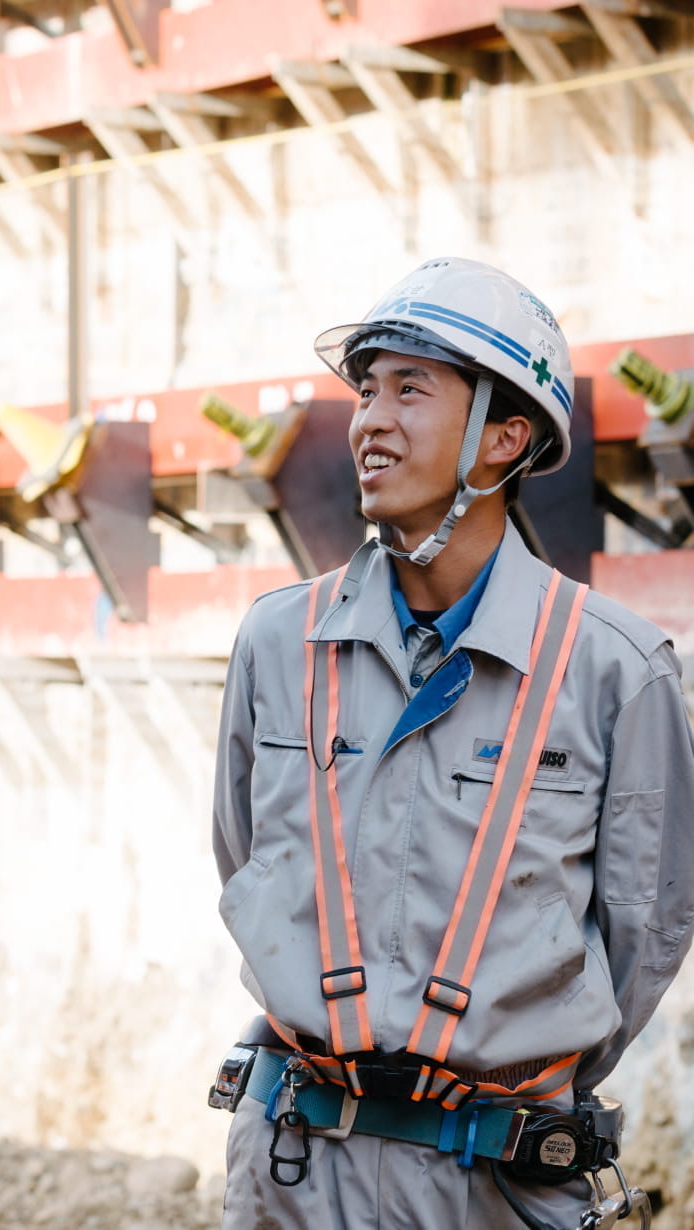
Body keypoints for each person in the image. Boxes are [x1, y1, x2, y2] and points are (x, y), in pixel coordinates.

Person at [211, 256, 694, 1228]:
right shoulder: (279, 642)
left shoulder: (616, 671)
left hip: (496, 1187)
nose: (369, 420)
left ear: (502, 438)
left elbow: (646, 931)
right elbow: (242, 856)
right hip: (295, 1175)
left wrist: (496, 1076)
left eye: (411, 390)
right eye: (367, 389)